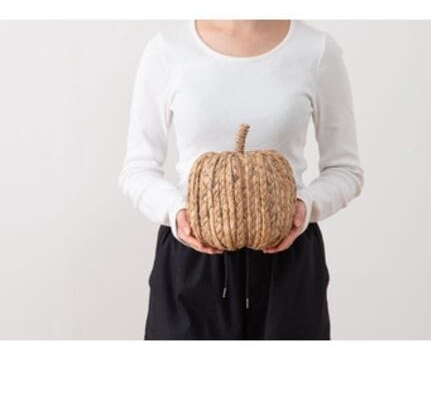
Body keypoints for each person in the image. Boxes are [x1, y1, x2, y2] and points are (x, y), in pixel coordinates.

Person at [118, 19, 364, 340]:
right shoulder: (167, 50)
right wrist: (178, 212)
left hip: (286, 261)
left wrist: (304, 207)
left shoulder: (315, 50)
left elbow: (346, 169)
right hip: (193, 262)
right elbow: (137, 168)